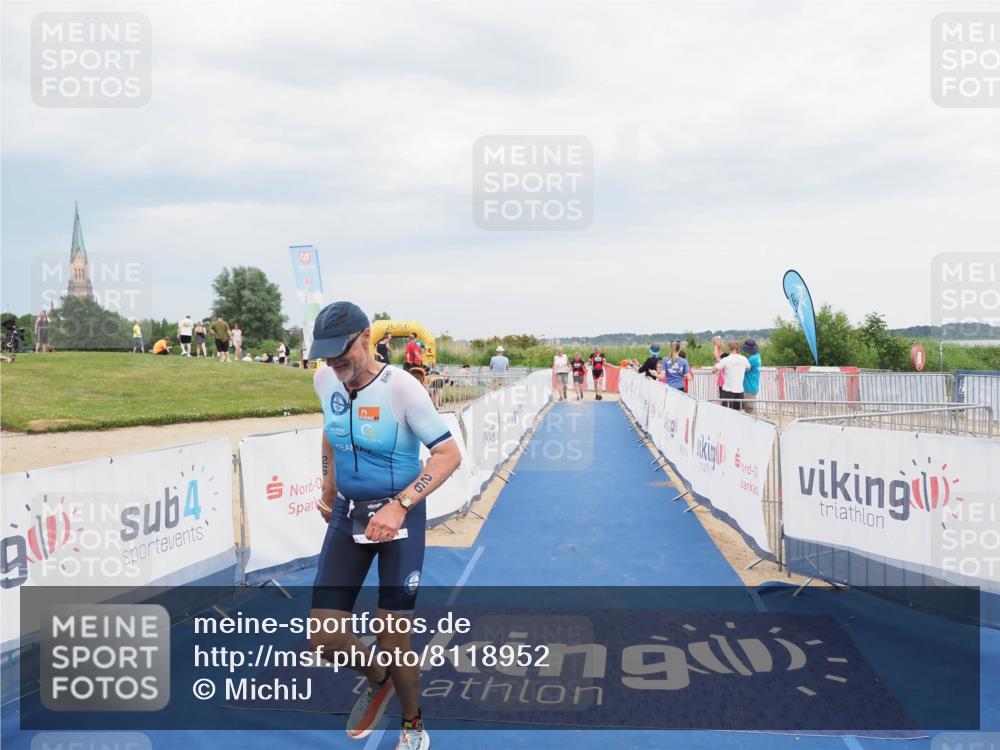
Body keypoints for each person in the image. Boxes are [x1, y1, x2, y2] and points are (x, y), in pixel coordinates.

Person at [307, 301, 461, 750]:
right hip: (347, 515)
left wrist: (399, 505)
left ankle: (413, 724)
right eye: (326, 355)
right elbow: (330, 431)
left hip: (399, 519)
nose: (335, 364)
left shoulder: (403, 389)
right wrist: (329, 484)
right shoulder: (324, 378)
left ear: (366, 338)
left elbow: (448, 454)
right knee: (324, 635)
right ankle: (379, 681)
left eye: (343, 353)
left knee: (394, 638)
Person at [712, 339, 750, 410]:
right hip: (740, 390)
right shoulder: (744, 359)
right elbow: (748, 368)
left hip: (728, 391)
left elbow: (713, 370)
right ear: (737, 348)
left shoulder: (726, 359)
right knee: (739, 413)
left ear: (728, 348)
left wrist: (719, 363)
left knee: (727, 413)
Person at [741, 338, 762, 412]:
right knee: (751, 409)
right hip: (753, 385)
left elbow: (743, 369)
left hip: (749, 387)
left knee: (749, 411)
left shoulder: (752, 359)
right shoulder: (757, 356)